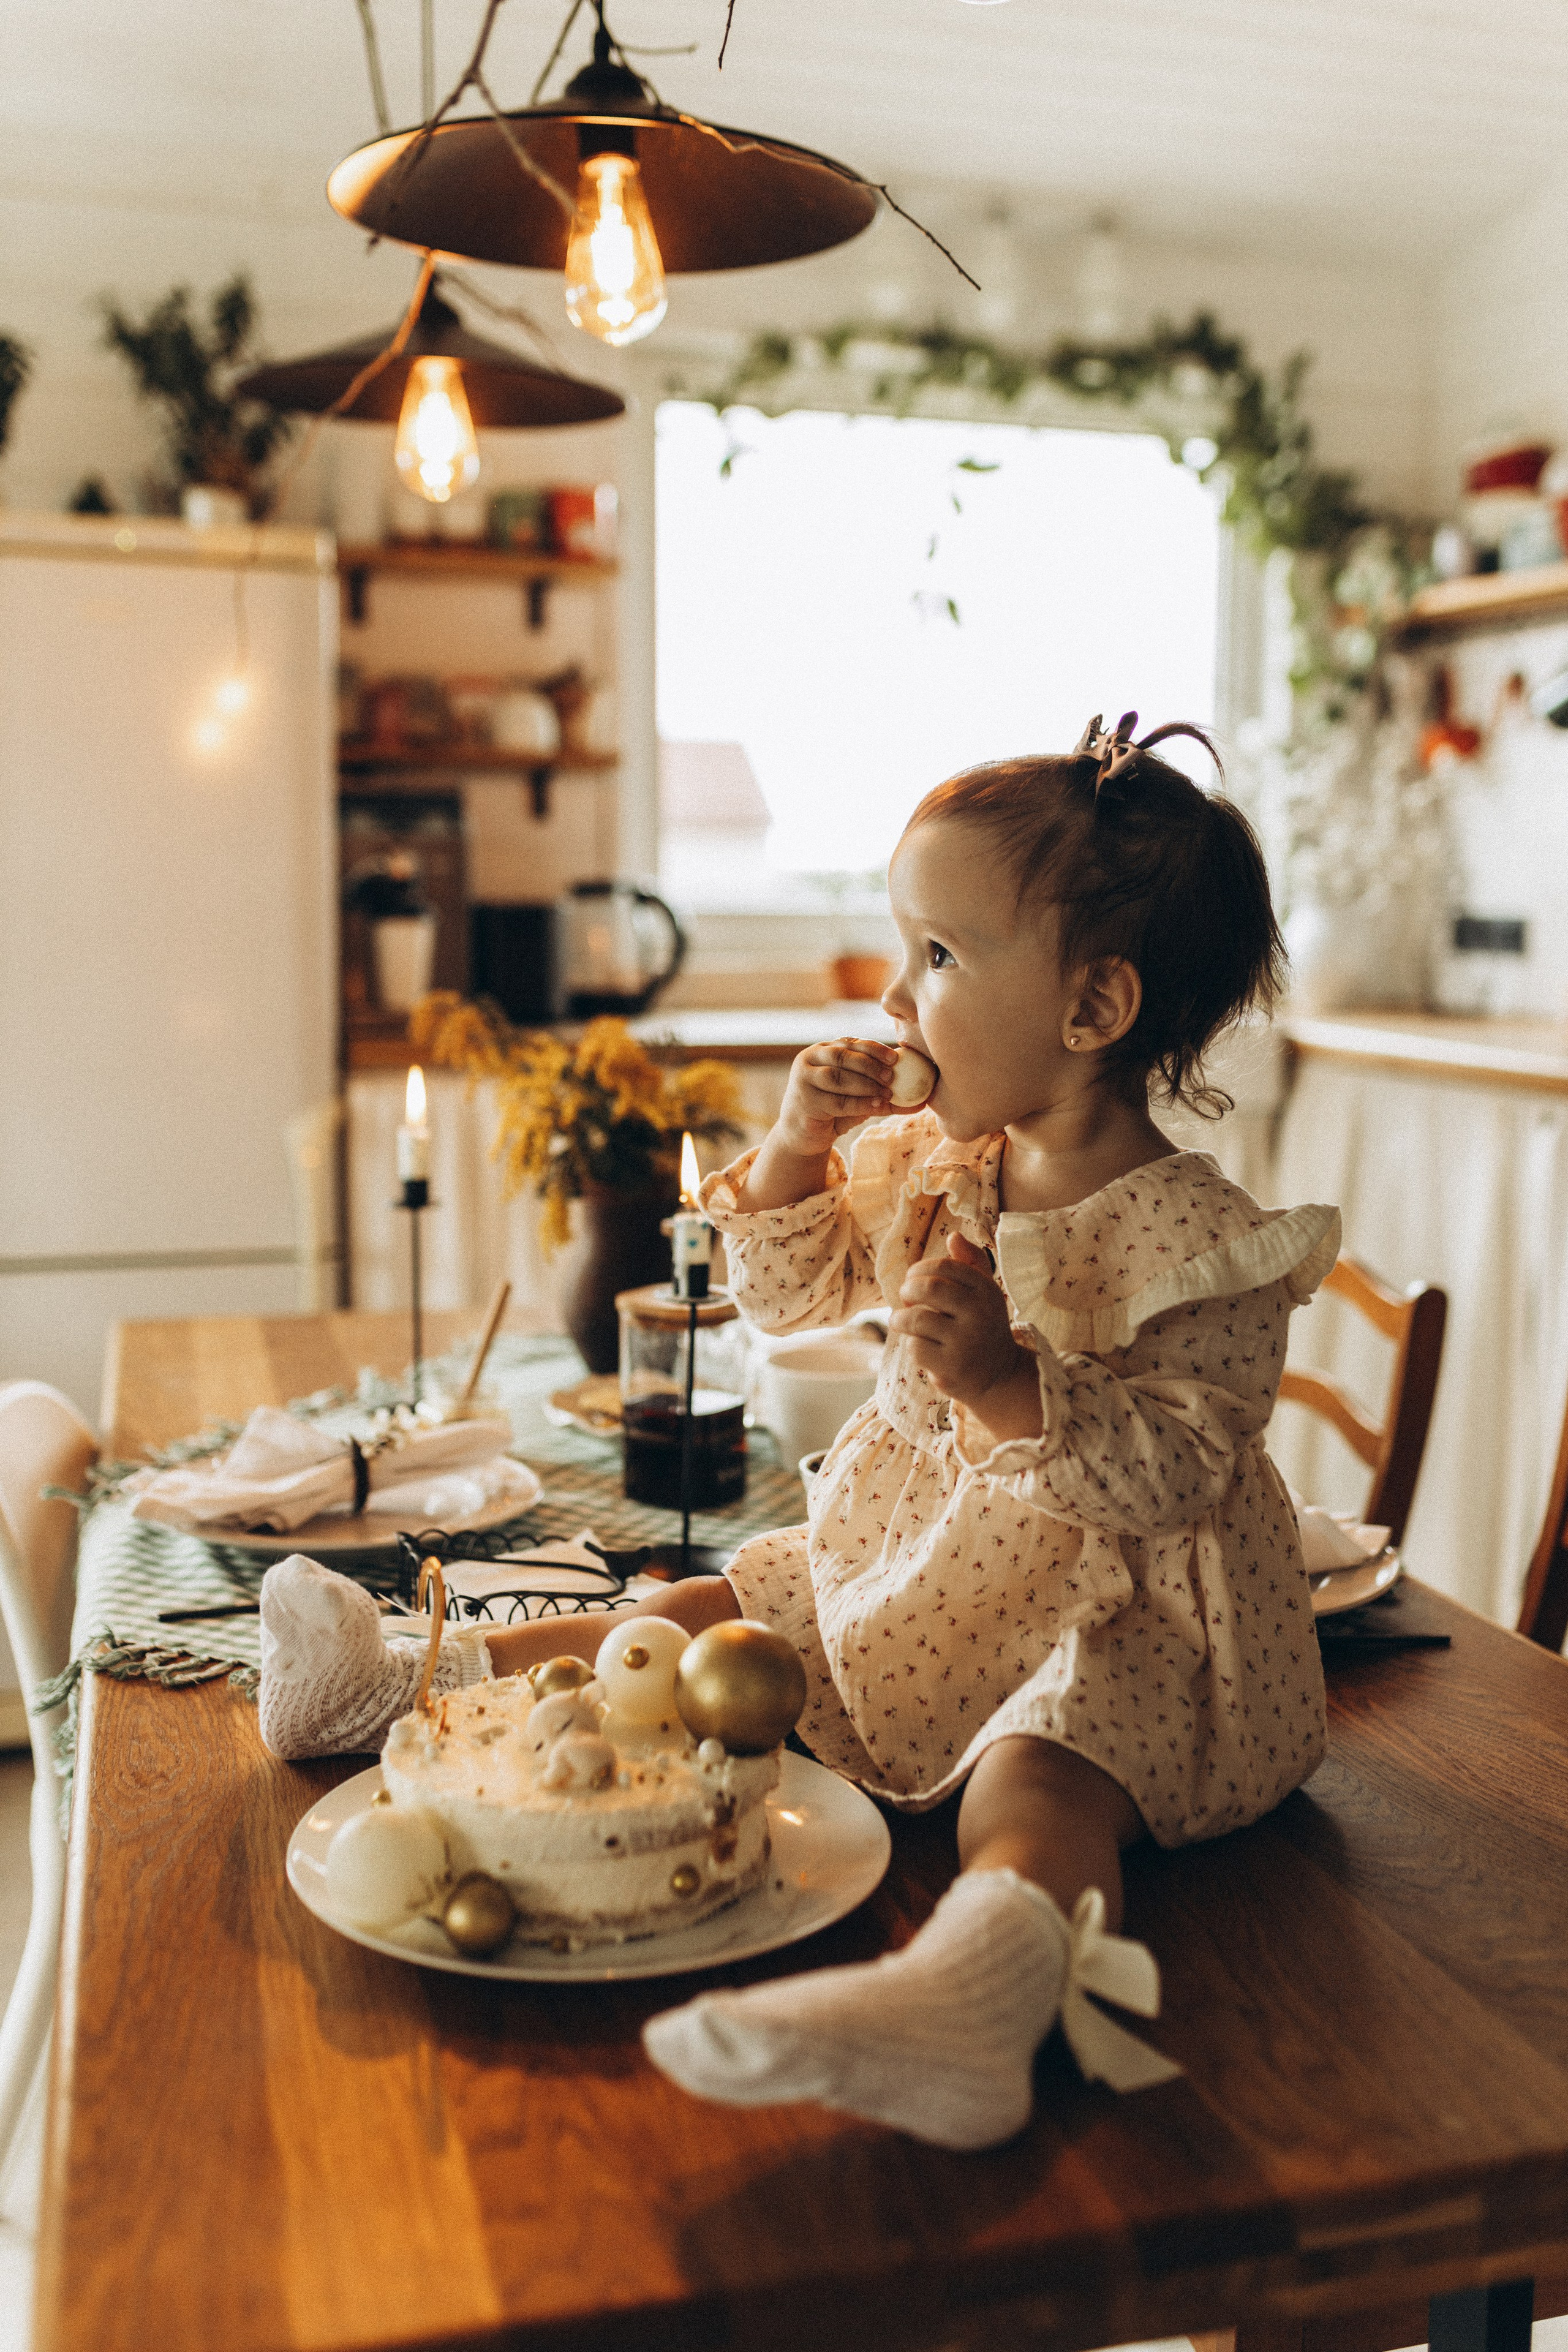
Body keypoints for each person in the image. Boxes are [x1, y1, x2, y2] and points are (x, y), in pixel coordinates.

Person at [260, 710, 1338, 2151]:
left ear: (1093, 1011)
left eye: (939, 962)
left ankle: (981, 1987)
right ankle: (403, 1681)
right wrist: (789, 1154)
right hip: (924, 1578)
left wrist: (1014, 1388)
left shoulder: (1203, 1243)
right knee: (698, 1607)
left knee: (1041, 1771)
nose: (899, 1002)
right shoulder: (934, 1159)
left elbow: (1179, 1473)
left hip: (1113, 1621)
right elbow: (778, 1295)